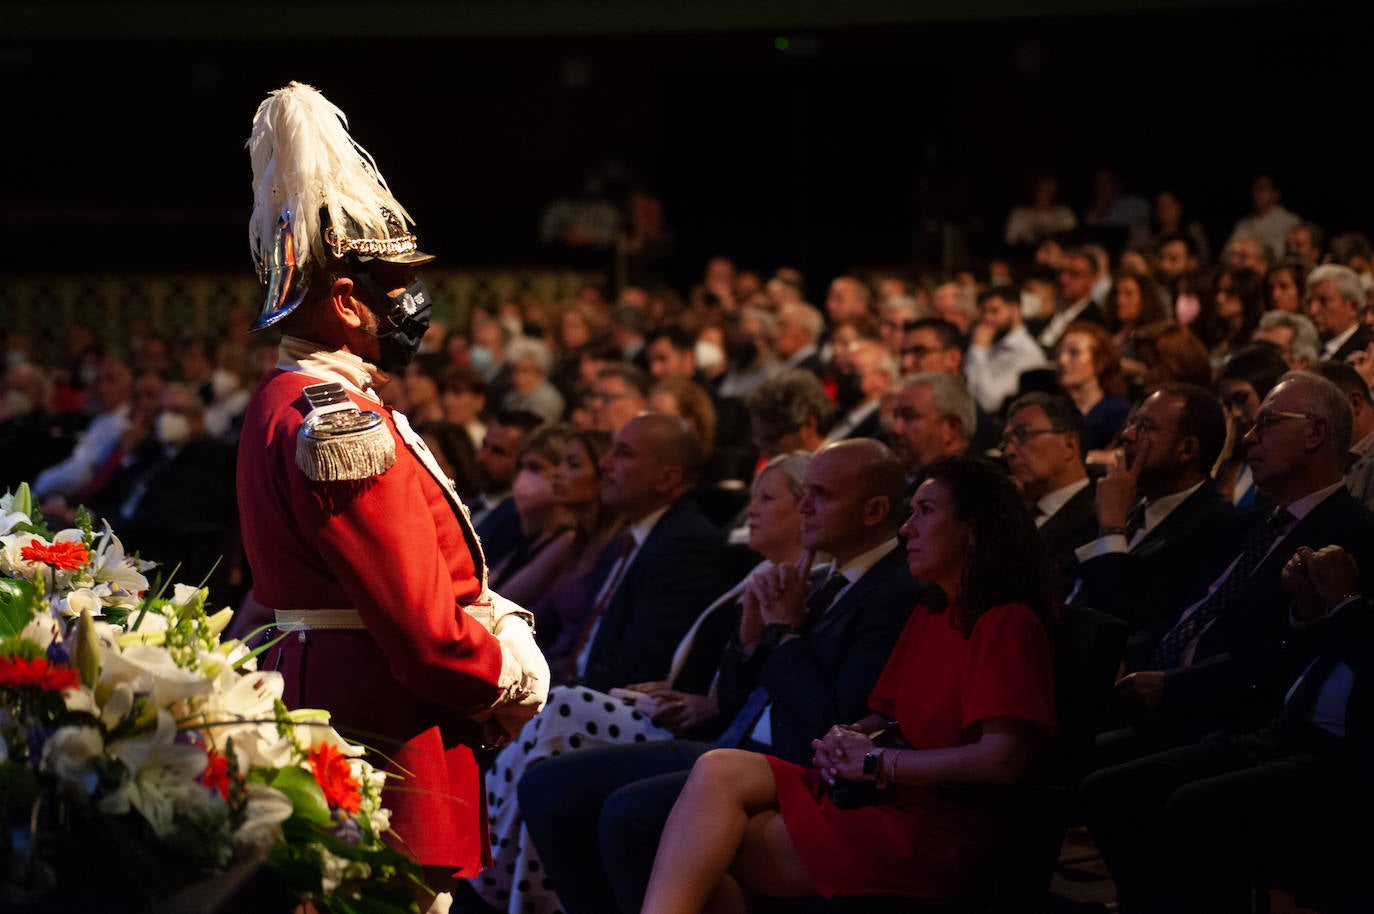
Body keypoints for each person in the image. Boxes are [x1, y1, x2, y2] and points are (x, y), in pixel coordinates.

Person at [234, 82, 546, 884]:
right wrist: (506, 677)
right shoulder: (339, 423)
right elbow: (421, 633)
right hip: (382, 730)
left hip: (329, 701)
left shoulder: (287, 399)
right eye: (397, 284)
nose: (412, 302)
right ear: (346, 299)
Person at [519, 439, 921, 914]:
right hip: (735, 744)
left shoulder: (894, 592)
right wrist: (751, 637)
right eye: (804, 492)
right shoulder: (822, 577)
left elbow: (834, 720)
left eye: (822, 495)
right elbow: (736, 701)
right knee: (545, 787)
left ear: (874, 510)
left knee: (630, 815)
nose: (804, 508)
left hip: (786, 765)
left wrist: (785, 631)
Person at [639, 455, 1056, 912]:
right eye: (910, 511)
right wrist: (848, 737)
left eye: (926, 512)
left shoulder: (1005, 622)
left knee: (705, 848)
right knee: (718, 770)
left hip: (936, 821)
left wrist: (878, 761)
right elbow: (884, 714)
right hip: (886, 790)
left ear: (974, 527)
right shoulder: (933, 611)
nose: (906, 529)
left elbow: (1002, 759)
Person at [469, 451, 813, 914]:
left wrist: (711, 697)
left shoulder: (800, 582)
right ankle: (492, 879)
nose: (750, 510)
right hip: (690, 711)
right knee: (547, 722)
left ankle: (504, 891)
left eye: (767, 498)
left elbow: (762, 691)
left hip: (720, 737)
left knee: (560, 707)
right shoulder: (761, 573)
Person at [1083, 544, 1374, 914]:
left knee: (1194, 805)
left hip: (1339, 757)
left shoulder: (1352, 542)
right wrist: (1309, 606)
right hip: (1278, 730)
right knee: (1106, 789)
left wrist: (1342, 598)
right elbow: (1299, 651)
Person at [1067, 384, 1234, 633]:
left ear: (1187, 449)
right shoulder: (1132, 502)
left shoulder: (1213, 523)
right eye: (1131, 424)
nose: (1128, 435)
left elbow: (1121, 622)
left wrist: (1112, 527)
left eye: (1146, 427)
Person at [1002, 392, 1097, 602]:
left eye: (1023, 434)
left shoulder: (1098, 515)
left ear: (1070, 444)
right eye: (1006, 441)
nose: (1009, 451)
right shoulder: (1015, 515)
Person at [964, 287, 1046, 416]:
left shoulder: (1028, 354)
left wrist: (978, 351)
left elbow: (990, 403)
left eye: (994, 311)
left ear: (1015, 311)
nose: (987, 318)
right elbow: (967, 389)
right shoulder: (986, 343)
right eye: (983, 312)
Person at [1055, 322, 1131, 453]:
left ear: (1100, 361)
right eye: (1059, 353)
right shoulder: (1054, 409)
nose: (1062, 360)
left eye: (1074, 353)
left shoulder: (1117, 412)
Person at [887, 372, 976, 478]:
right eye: (895, 416)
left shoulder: (972, 490)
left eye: (910, 416)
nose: (895, 429)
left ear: (951, 428)